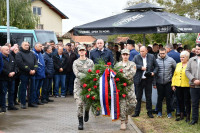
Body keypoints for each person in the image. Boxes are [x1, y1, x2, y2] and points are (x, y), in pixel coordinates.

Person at [132, 46, 158, 118]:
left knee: (148, 97)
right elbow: (132, 65)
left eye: (143, 51)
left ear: (146, 51)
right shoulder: (136, 57)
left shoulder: (151, 56)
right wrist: (140, 67)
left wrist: (154, 72)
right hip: (139, 80)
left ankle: (149, 112)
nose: (141, 53)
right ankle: (137, 112)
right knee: (138, 97)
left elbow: (156, 66)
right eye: (140, 51)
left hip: (148, 79)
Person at [73, 45, 94, 130]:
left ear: (85, 51)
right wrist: (86, 75)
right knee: (79, 103)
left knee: (88, 102)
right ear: (78, 52)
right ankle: (80, 122)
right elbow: (77, 73)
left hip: (88, 85)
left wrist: (89, 77)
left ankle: (87, 111)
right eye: (80, 50)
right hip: (79, 85)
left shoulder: (90, 62)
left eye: (83, 50)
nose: (81, 52)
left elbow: (93, 73)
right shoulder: (75, 62)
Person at [115, 49, 137, 130]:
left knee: (133, 103)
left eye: (126, 54)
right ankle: (122, 121)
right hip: (121, 87)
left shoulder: (132, 64)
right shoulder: (117, 65)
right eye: (123, 54)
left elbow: (131, 74)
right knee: (122, 104)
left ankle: (127, 114)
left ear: (129, 55)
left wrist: (121, 76)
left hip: (129, 87)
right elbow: (115, 75)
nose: (125, 56)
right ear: (121, 55)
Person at [16, 41, 38, 109]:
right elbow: (21, 64)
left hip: (32, 74)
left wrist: (34, 69)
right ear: (22, 45)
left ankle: (31, 102)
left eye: (28, 45)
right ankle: (23, 103)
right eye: (25, 45)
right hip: (24, 74)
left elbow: (36, 62)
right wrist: (29, 70)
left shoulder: (31, 53)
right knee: (23, 88)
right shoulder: (19, 54)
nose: (27, 46)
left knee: (32, 89)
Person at [155, 48, 176, 118]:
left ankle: (169, 112)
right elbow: (154, 72)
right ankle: (159, 111)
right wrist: (154, 83)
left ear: (166, 53)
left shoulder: (171, 60)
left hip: (168, 82)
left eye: (163, 53)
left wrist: (173, 79)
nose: (162, 55)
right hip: (159, 82)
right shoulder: (156, 61)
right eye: (160, 53)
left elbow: (176, 69)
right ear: (159, 53)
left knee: (168, 97)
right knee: (160, 98)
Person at [172, 51, 191, 122]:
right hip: (178, 85)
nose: (181, 58)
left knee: (187, 101)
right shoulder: (178, 64)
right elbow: (174, 75)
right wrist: (173, 84)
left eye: (183, 57)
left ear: (187, 58)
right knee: (180, 101)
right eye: (180, 57)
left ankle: (188, 116)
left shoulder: (189, 64)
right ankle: (181, 115)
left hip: (187, 85)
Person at [0, 46, 18, 112]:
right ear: (2, 51)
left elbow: (15, 65)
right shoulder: (0, 57)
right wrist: (8, 73)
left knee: (12, 92)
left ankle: (11, 105)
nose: (8, 50)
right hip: (3, 78)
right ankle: (3, 107)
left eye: (8, 49)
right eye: (6, 50)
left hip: (12, 78)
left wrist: (14, 72)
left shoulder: (11, 56)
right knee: (3, 93)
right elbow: (1, 67)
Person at [185, 44, 200, 125]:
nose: (197, 50)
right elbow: (187, 71)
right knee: (194, 103)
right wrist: (193, 79)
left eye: (199, 49)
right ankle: (194, 119)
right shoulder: (191, 59)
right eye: (196, 49)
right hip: (193, 86)